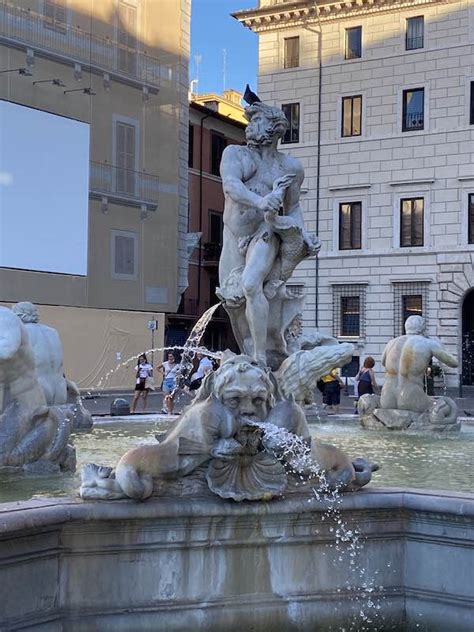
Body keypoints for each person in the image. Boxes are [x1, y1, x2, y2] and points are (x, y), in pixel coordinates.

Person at [218, 93, 319, 367]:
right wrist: (260, 200)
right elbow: (231, 186)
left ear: (275, 127)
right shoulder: (236, 154)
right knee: (233, 303)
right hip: (233, 237)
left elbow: (293, 206)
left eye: (257, 120)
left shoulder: (289, 167)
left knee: (251, 284)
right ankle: (258, 348)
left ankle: (260, 358)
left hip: (266, 231)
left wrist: (303, 233)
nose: (249, 125)